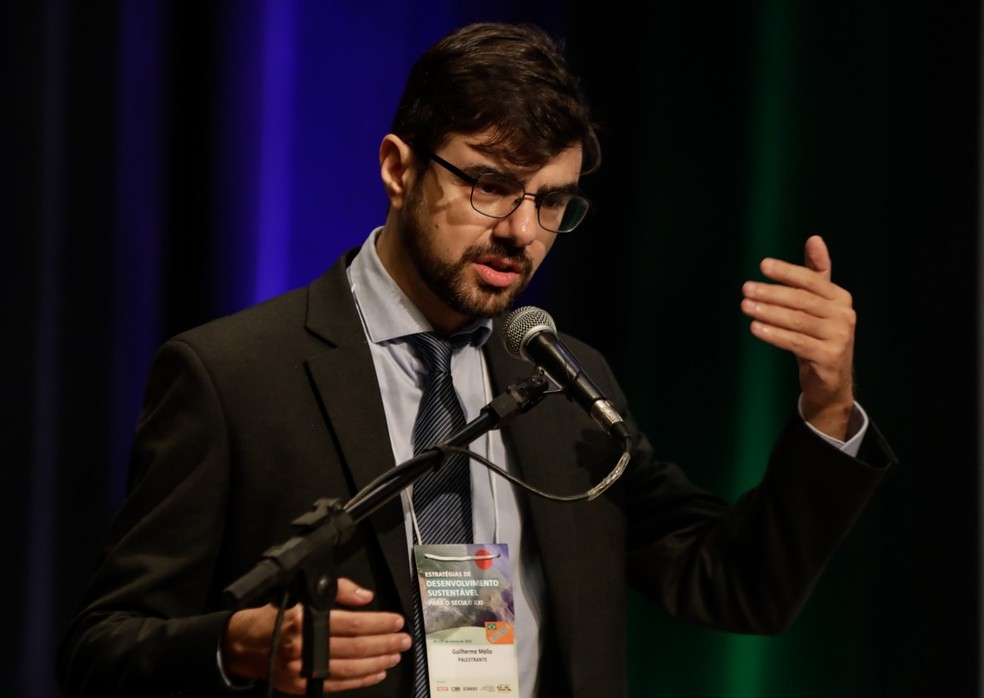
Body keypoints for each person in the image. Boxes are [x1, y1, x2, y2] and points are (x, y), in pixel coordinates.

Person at [56, 21, 895, 698]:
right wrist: (233, 651)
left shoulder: (568, 381)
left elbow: (733, 583)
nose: (521, 233)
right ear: (398, 168)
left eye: (552, 202)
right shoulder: (233, 376)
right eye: (489, 186)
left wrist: (828, 407)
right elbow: (104, 650)